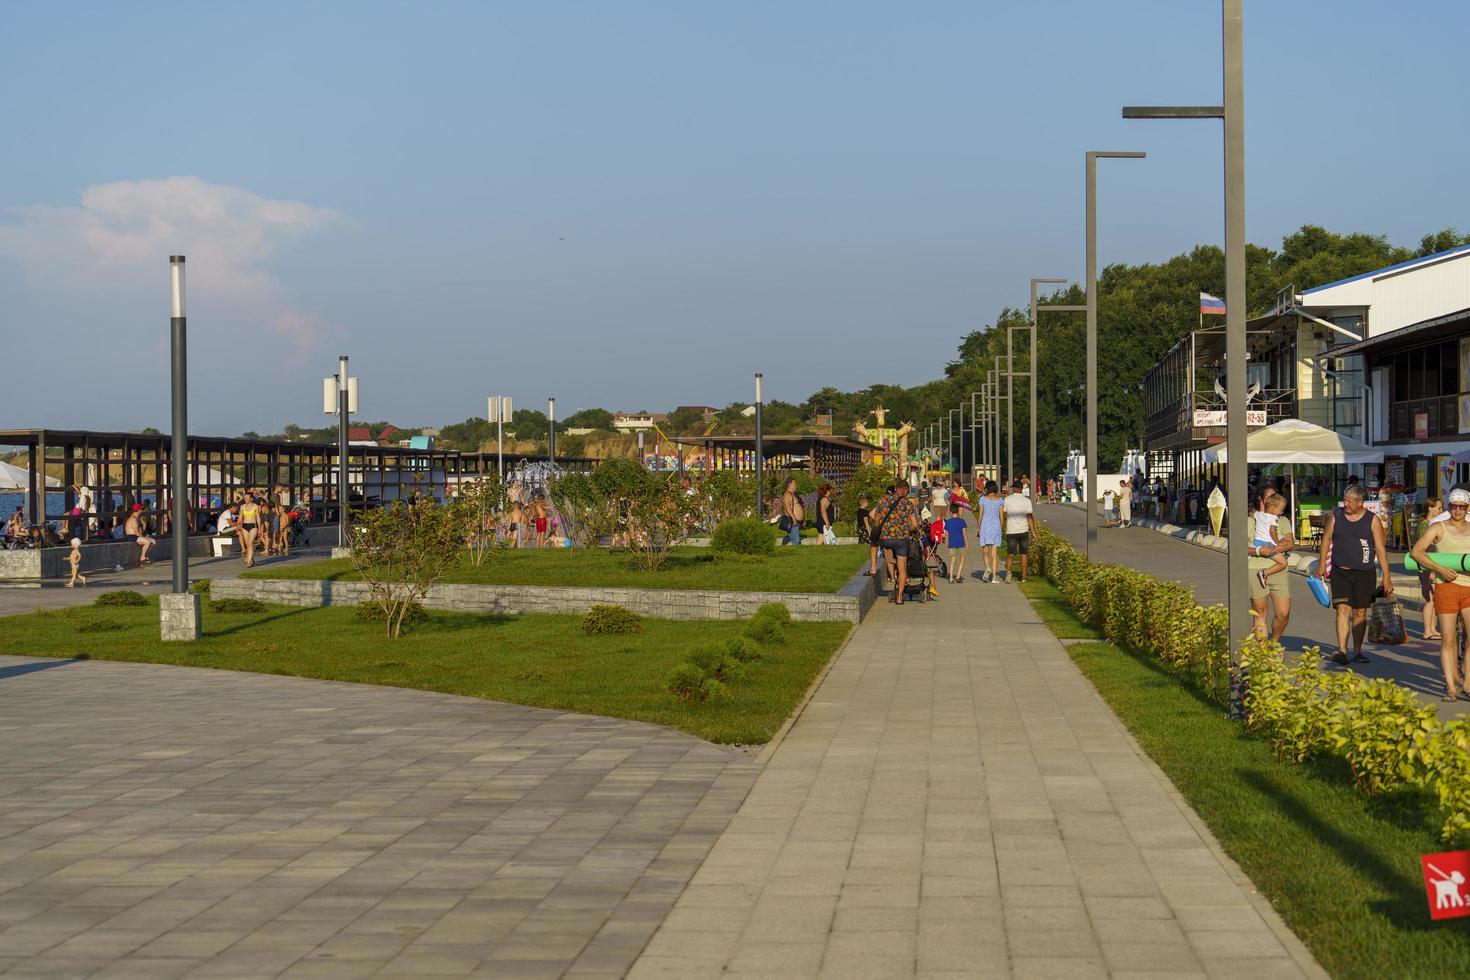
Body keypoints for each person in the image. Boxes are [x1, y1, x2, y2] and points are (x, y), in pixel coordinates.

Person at [1315, 485, 1393, 666]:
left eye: (1350, 501)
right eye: (1345, 500)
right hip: (1340, 572)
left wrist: (1386, 577)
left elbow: (1381, 549)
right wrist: (1321, 564)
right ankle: (1342, 650)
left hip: (1364, 573)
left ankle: (1357, 651)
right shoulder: (1336, 515)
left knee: (1360, 612)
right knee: (1343, 609)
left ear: (1360, 502)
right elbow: (1326, 539)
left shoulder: (1372, 520)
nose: (1346, 504)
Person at [1413, 490, 1470, 701]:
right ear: (1449, 506)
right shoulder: (1439, 527)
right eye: (1454, 506)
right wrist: (1440, 569)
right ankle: (1450, 688)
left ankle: (1467, 683)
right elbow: (1417, 551)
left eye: (1461, 507)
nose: (1457, 510)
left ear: (1467, 508)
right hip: (1445, 587)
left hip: (1469, 588)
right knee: (1447, 639)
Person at [1246, 500, 1294, 642]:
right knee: (1260, 612)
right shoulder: (1251, 520)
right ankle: (1262, 652)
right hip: (1255, 566)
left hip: (1278, 572)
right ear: (1261, 501)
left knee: (1283, 613)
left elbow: (1290, 543)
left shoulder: (1282, 520)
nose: (1280, 511)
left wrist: (1278, 547)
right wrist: (1264, 549)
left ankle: (1274, 641)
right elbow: (1240, 546)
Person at [872, 482, 919, 603]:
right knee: (902, 569)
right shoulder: (908, 504)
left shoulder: (883, 499)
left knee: (873, 542)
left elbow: (876, 518)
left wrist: (877, 529)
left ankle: (873, 566)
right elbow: (914, 525)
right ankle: (899, 597)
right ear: (905, 490)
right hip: (901, 541)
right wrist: (908, 530)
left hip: (885, 539)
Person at [1418, 498, 1446, 640]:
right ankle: (1427, 630)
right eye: (1438, 508)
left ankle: (1433, 628)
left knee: (1434, 599)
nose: (1441, 511)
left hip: (1432, 565)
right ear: (1430, 508)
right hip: (1426, 566)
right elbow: (1426, 548)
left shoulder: (1433, 524)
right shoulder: (1425, 525)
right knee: (1429, 599)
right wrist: (1433, 571)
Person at [1253, 494, 1290, 589]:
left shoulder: (1259, 514)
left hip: (1257, 542)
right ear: (1272, 507)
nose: (1281, 512)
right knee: (1283, 563)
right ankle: (1265, 573)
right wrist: (1277, 542)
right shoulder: (1274, 518)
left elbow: (1251, 513)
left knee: (1284, 541)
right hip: (1266, 544)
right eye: (1280, 509)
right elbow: (1272, 531)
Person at [1002, 479, 1035, 584]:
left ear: (1015, 488)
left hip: (1011, 530)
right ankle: (1024, 576)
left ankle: (1008, 574)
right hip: (1024, 530)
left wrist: (1003, 524)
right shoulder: (1027, 501)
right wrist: (1033, 532)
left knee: (1010, 554)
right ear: (1021, 489)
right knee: (1024, 554)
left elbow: (1004, 513)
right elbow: (1030, 517)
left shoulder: (1007, 499)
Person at [976, 480, 1004, 583]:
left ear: (987, 489)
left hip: (985, 526)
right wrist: (1000, 528)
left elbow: (980, 515)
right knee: (994, 553)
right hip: (996, 526)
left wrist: (978, 528)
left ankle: (987, 568)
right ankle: (994, 578)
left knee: (985, 551)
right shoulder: (1000, 500)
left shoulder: (983, 499)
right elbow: (1002, 516)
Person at [942, 504, 968, 584]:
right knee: (962, 560)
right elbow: (964, 533)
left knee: (952, 561)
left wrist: (946, 543)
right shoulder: (962, 521)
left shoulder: (948, 522)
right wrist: (967, 543)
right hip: (961, 543)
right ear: (958, 511)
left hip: (952, 544)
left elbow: (946, 534)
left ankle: (950, 578)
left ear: (950, 511)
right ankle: (958, 576)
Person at [237, 494, 262, 567]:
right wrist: (239, 524)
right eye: (245, 498)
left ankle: (249, 561)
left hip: (253, 526)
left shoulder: (255, 506)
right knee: (247, 544)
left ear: (251, 499)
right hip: (245, 526)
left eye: (247, 498)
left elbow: (258, 517)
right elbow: (241, 516)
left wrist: (259, 528)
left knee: (250, 543)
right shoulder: (242, 507)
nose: (246, 499)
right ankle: (252, 558)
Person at [856, 496, 878, 576]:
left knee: (861, 540)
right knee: (868, 541)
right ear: (864, 502)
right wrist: (869, 531)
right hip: (865, 528)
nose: (868, 503)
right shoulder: (864, 512)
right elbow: (866, 522)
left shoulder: (858, 511)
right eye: (867, 502)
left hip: (860, 528)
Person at [780, 479, 804, 546]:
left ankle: (786, 541)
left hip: (796, 521)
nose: (796, 485)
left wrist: (802, 519)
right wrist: (793, 518)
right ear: (790, 485)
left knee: (794, 537)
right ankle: (796, 553)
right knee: (795, 540)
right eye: (795, 484)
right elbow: (787, 508)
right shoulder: (787, 494)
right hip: (792, 521)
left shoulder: (793, 494)